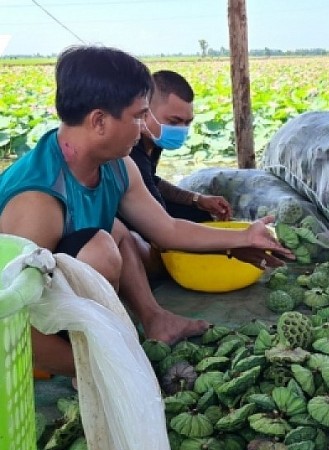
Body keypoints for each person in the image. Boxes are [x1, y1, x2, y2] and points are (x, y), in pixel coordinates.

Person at [0, 45, 294, 377]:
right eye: (139, 115)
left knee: (116, 230)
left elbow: (165, 229)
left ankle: (156, 319)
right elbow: (10, 317)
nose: (143, 128)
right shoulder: (37, 202)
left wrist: (242, 237)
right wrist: (101, 373)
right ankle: (73, 359)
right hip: (14, 317)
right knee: (99, 249)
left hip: (52, 281)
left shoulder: (117, 165)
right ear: (99, 121)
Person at [128, 69, 233, 273]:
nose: (182, 129)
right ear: (145, 112)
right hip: (126, 222)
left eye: (188, 123)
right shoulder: (130, 149)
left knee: (195, 212)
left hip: (144, 206)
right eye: (174, 122)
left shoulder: (154, 140)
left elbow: (151, 180)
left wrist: (198, 199)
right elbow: (161, 221)